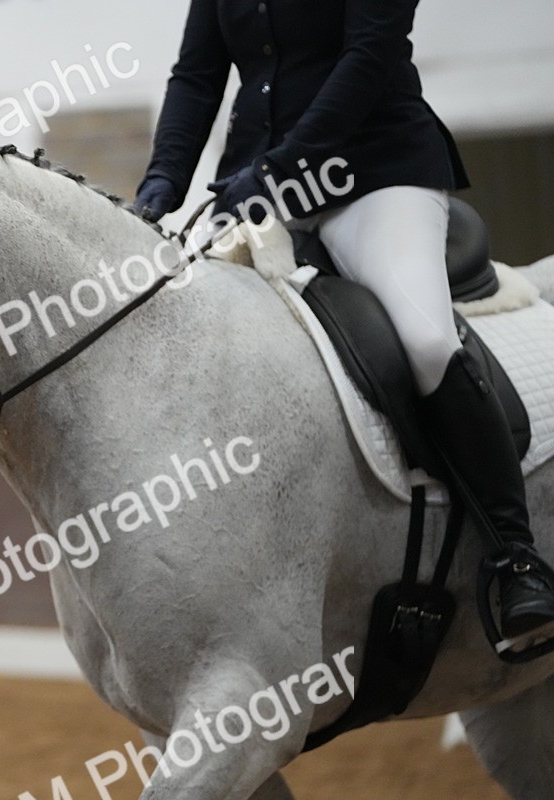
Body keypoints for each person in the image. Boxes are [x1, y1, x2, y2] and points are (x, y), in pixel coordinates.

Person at [134, 0, 554, 641]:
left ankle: (516, 558)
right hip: (257, 186)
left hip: (373, 174)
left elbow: (368, 56)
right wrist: (160, 187)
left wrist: (280, 169)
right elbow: (196, 76)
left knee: (425, 340)